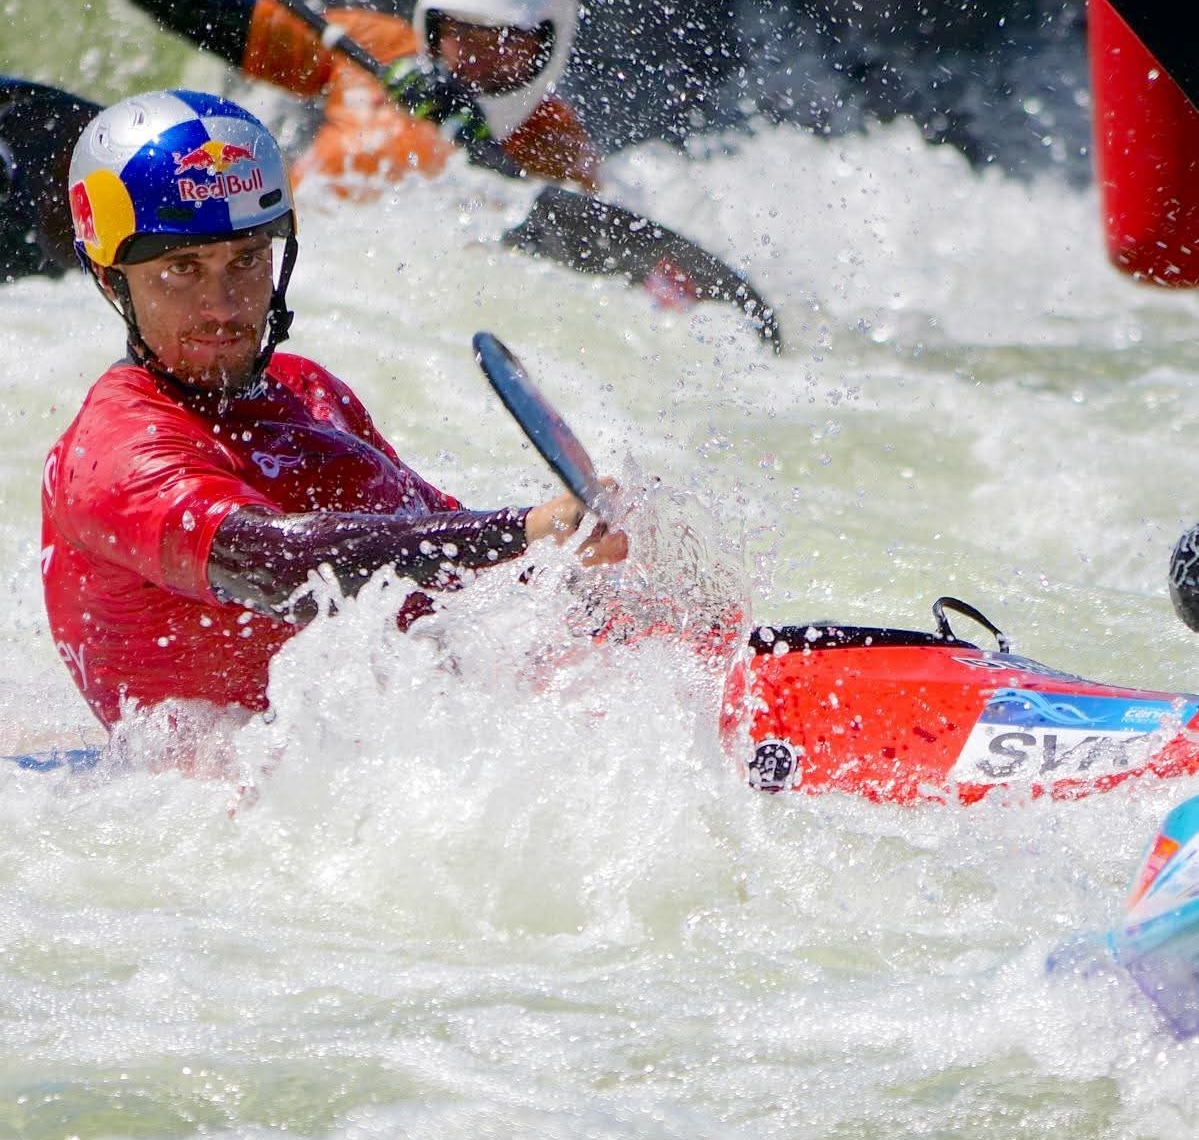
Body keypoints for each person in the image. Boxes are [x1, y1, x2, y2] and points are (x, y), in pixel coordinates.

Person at [42, 88, 625, 733]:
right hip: (245, 799)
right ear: (109, 279)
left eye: (246, 260)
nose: (224, 307)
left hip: (404, 737)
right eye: (183, 269)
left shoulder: (309, 393)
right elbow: (278, 567)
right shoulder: (114, 455)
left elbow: (453, 565)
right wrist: (525, 531)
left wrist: (575, 559)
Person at [129, 0, 600, 198]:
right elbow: (206, 15)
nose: (476, 57)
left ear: (549, 46)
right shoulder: (373, 46)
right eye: (461, 34)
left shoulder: (555, 145)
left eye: (504, 42)